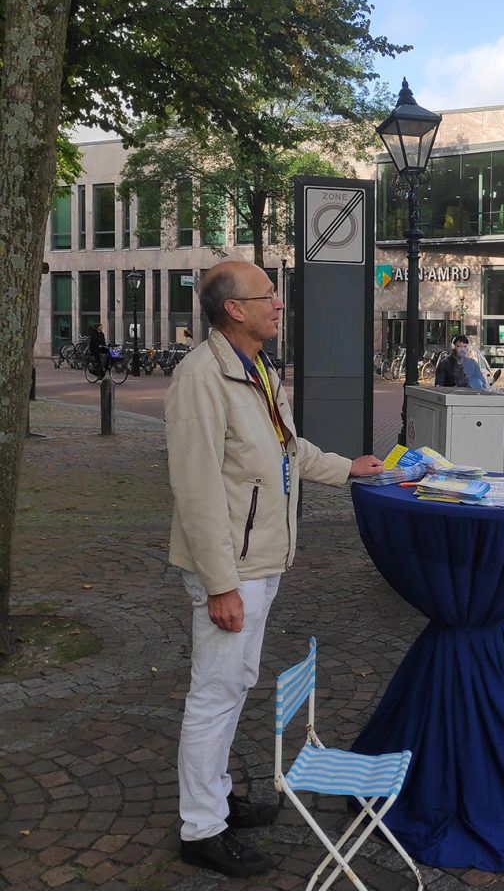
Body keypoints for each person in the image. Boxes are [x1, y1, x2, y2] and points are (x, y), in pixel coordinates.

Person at [165, 261, 383, 878]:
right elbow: (197, 488)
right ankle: (201, 828)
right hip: (232, 567)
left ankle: (219, 796)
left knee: (235, 683)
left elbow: (289, 447)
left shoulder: (255, 369)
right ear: (234, 309)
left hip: (260, 560)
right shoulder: (201, 378)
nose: (278, 303)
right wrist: (219, 584)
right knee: (214, 692)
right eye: (267, 295)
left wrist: (348, 468)